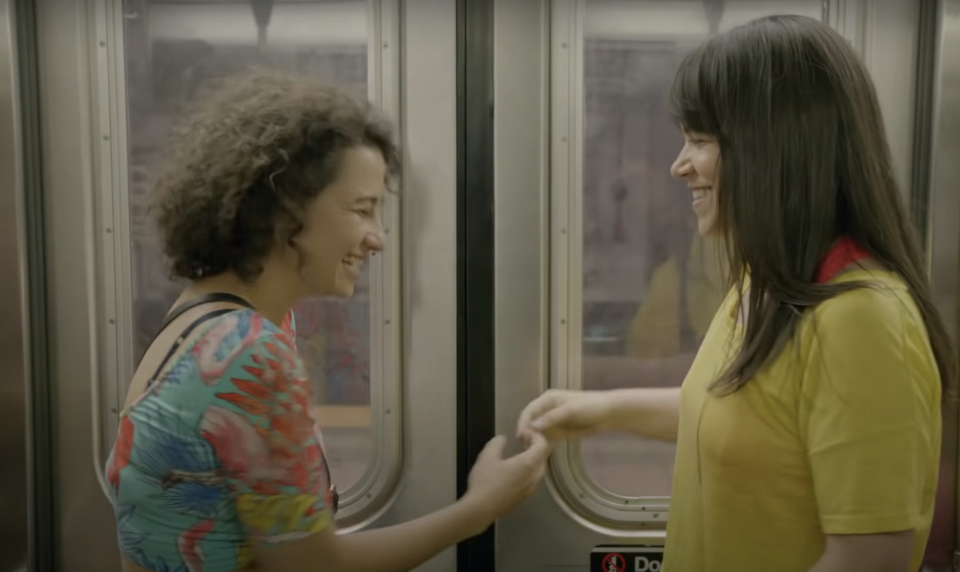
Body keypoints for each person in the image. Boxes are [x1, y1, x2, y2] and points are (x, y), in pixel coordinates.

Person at [518, 14, 954, 572]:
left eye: (699, 141)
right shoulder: (766, 284)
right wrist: (598, 410)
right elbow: (748, 419)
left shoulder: (862, 320)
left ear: (774, 148)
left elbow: (869, 559)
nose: (680, 166)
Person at [105, 69, 551, 572]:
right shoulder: (248, 351)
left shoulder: (201, 317)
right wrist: (479, 510)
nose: (377, 238)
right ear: (284, 210)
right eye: (362, 210)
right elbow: (315, 565)